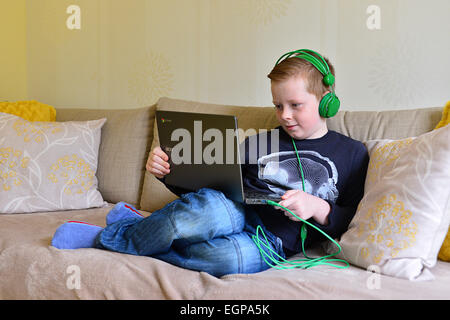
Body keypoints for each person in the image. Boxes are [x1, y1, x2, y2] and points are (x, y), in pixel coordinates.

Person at [51, 49, 369, 277]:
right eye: (277, 105)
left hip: (273, 242)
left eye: (295, 105)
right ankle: (111, 236)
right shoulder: (261, 141)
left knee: (223, 260)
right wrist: (168, 172)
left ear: (328, 99)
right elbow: (211, 185)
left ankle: (133, 228)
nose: (284, 115)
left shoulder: (353, 154)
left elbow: (352, 219)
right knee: (193, 215)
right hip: (234, 209)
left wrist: (318, 207)